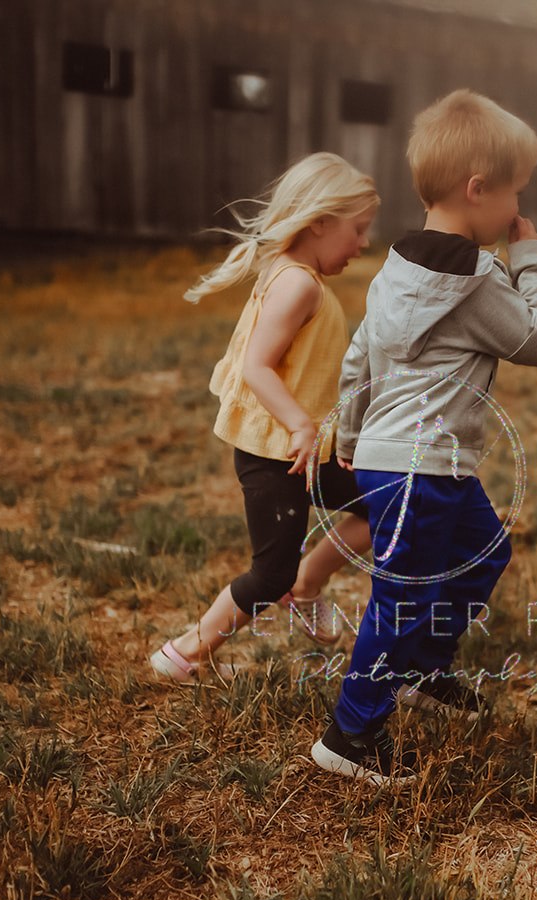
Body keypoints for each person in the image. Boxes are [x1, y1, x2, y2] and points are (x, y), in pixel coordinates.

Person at [311, 90, 537, 784]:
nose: (517, 209)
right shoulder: (477, 279)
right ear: (477, 189)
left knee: (485, 548)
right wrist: (531, 259)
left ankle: (419, 670)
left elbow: (361, 355)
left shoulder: (398, 267)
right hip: (422, 467)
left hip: (409, 463)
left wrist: (352, 436)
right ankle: (350, 735)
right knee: (404, 596)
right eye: (515, 194)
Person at [150, 153, 379, 682]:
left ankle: (308, 583)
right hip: (278, 454)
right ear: (319, 221)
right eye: (359, 230)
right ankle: (185, 652)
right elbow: (257, 365)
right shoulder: (298, 284)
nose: (364, 244)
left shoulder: (294, 275)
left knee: (381, 501)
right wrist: (301, 423)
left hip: (306, 450)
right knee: (268, 569)